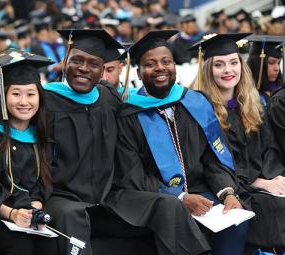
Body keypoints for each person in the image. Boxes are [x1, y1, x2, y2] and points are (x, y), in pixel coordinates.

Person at [110, 30, 249, 255]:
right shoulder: (129, 114)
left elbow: (213, 157)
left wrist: (227, 193)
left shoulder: (194, 102)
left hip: (203, 191)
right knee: (175, 214)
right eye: (150, 64)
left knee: (236, 220)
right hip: (158, 196)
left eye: (166, 61)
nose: (160, 68)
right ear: (138, 71)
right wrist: (180, 197)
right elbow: (132, 175)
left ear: (175, 65)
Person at [192, 33, 285, 254]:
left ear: (242, 67)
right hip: (224, 189)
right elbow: (213, 163)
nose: (228, 71)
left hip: (255, 184)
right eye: (219, 65)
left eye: (234, 63)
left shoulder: (252, 105)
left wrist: (276, 178)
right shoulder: (201, 110)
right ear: (207, 69)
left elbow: (269, 149)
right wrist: (259, 183)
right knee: (275, 208)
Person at [0, 49, 58, 255]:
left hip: (26, 214)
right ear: (4, 96)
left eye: (31, 94)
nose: (24, 102)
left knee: (50, 245)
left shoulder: (41, 136)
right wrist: (12, 213)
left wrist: (34, 207)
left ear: (40, 97)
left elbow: (42, 181)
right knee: (20, 245)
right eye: (16, 94)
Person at [42, 29, 123, 255]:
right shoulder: (43, 99)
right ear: (64, 61)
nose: (84, 68)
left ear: (102, 70)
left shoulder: (108, 99)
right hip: (59, 197)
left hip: (106, 195)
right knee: (72, 215)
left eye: (93, 64)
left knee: (165, 207)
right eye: (76, 60)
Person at [247, 35, 285, 104]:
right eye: (271, 62)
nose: (277, 68)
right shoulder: (246, 94)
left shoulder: (280, 90)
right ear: (257, 64)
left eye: (279, 63)